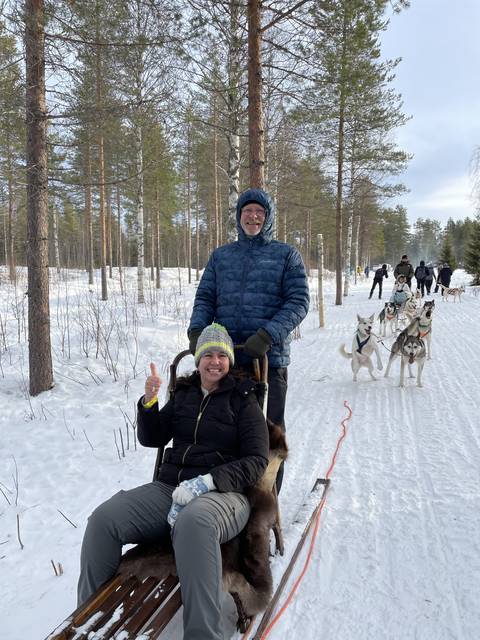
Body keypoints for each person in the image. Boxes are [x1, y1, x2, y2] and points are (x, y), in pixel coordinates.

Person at [77, 323, 269, 640]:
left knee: (194, 524)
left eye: (222, 355)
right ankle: (91, 621)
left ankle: (202, 634)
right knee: (103, 520)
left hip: (224, 494)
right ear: (197, 358)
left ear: (230, 361)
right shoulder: (184, 394)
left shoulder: (243, 400)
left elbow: (257, 461)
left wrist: (208, 482)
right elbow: (153, 436)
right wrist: (149, 401)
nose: (215, 361)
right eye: (208, 354)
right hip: (171, 489)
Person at [187, 188, 309, 488]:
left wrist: (268, 335)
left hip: (269, 359)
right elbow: (205, 297)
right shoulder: (222, 256)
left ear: (267, 218)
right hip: (227, 360)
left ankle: (267, 501)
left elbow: (298, 301)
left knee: (268, 431)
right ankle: (231, 495)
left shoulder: (286, 255)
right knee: (227, 428)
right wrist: (197, 331)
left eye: (259, 212)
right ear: (239, 216)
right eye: (247, 211)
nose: (253, 217)